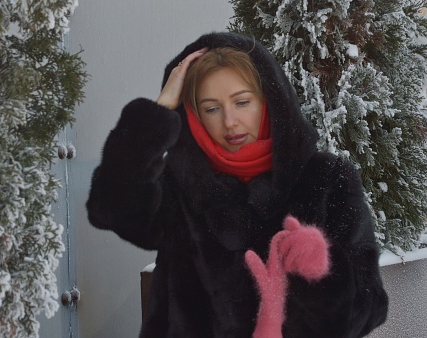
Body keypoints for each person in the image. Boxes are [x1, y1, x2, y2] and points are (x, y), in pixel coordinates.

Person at [86, 32, 388, 337]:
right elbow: (111, 207)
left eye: (242, 102)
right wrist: (159, 110)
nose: (229, 121)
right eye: (211, 108)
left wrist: (321, 271)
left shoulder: (325, 179)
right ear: (195, 115)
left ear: (270, 101)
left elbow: (369, 308)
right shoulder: (179, 184)